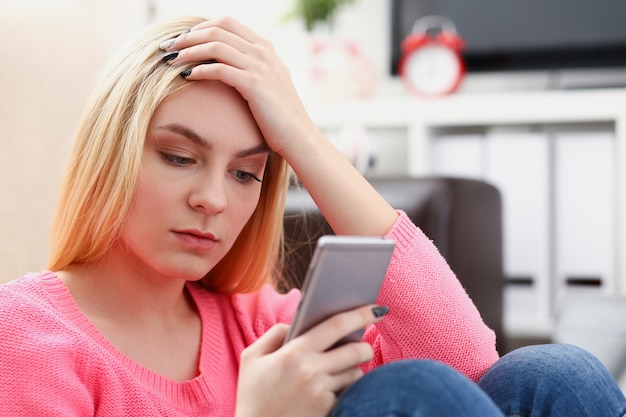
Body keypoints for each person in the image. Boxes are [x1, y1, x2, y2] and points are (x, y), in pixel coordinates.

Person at [0, 15, 624, 417]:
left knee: (553, 373)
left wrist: (302, 136)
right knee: (406, 395)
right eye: (179, 156)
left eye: (247, 172)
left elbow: (468, 362)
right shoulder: (31, 337)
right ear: (112, 150)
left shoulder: (255, 323)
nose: (214, 200)